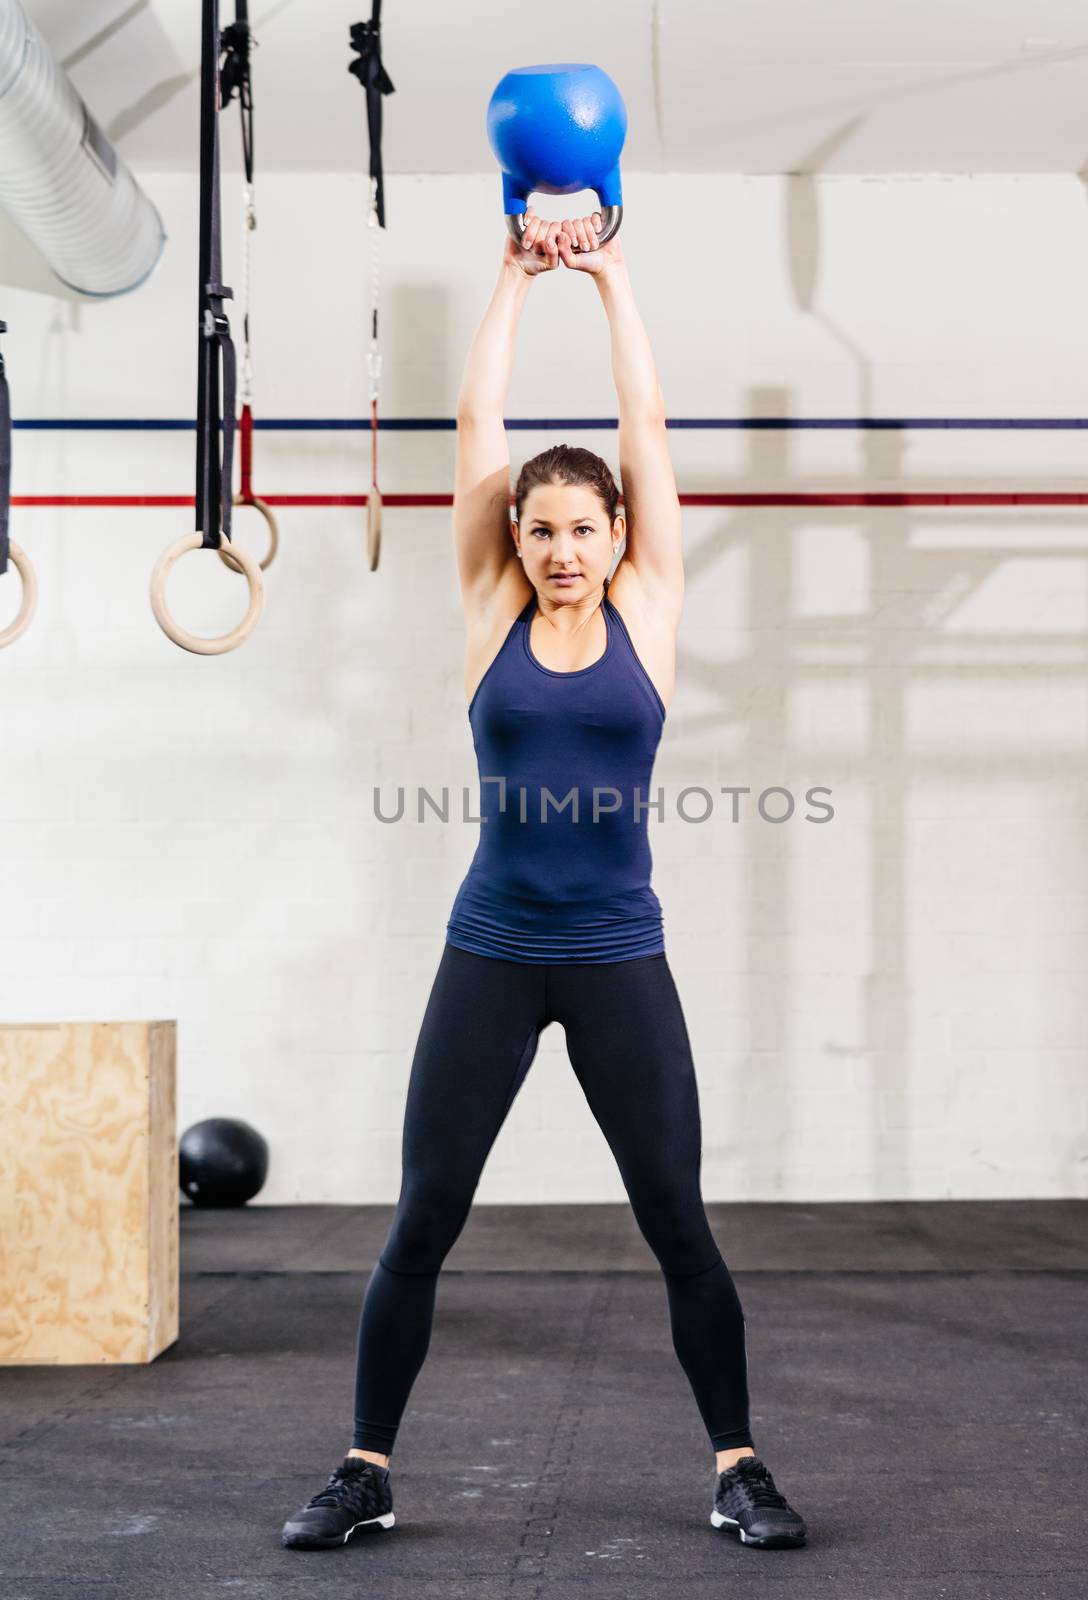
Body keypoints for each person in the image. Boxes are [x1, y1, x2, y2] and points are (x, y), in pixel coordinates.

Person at [282, 209, 807, 1554]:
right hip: (493, 952)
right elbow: (477, 422)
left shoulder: (650, 609)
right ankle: (365, 1467)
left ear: (617, 531)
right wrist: (513, 281)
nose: (561, 548)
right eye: (540, 528)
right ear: (515, 537)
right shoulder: (487, 610)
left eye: (582, 528)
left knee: (678, 1221)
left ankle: (738, 1465)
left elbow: (648, 421)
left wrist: (618, 281)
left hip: (621, 955)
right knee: (423, 1221)